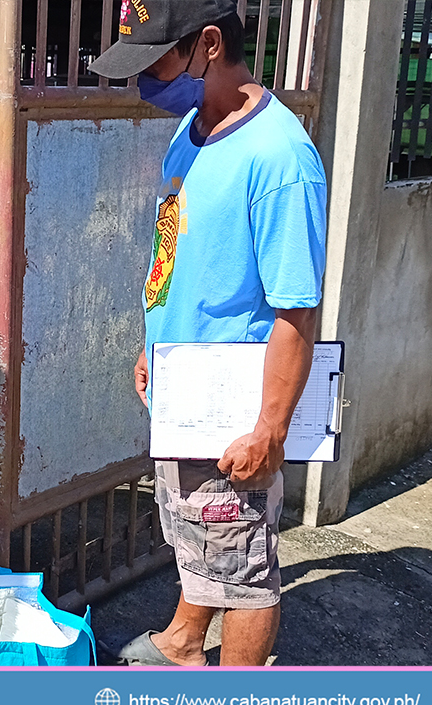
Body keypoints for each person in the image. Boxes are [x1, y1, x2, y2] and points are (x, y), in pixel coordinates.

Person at [88, 0, 326, 666]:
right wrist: (151, 339)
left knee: (244, 570)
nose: (145, 81)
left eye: (156, 60)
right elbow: (175, 245)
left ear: (210, 45)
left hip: (230, 409)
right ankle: (187, 639)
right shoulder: (192, 130)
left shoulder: (280, 159)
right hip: (181, 386)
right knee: (196, 525)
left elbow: (295, 310)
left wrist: (269, 430)